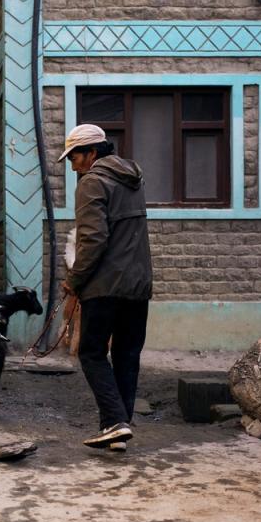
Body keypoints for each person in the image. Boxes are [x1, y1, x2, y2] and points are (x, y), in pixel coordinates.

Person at [59, 124, 152, 452]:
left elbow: (92, 240)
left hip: (105, 285)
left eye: (75, 157)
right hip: (139, 285)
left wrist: (73, 281)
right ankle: (120, 428)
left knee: (92, 352)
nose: (73, 166)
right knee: (127, 354)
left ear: (93, 153)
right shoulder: (134, 180)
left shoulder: (92, 183)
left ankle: (113, 421)